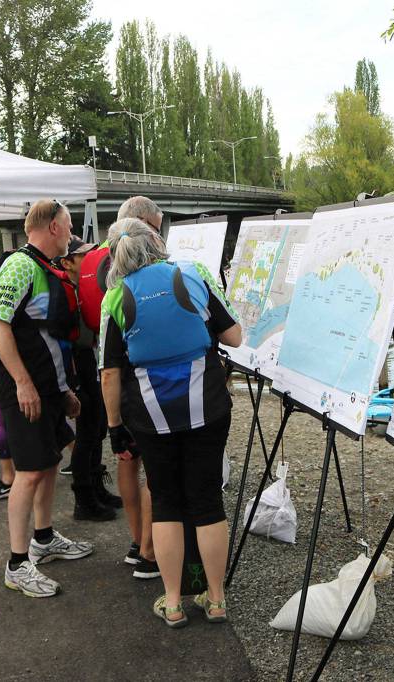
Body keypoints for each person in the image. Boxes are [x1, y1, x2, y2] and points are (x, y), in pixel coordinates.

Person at [98, 218, 241, 627]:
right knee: (207, 499)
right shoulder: (192, 274)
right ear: (156, 243)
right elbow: (234, 337)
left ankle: (174, 601)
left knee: (166, 502)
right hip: (207, 406)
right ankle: (215, 600)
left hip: (149, 414)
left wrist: (114, 426)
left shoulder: (113, 298)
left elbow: (109, 373)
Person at [0, 199, 93, 597]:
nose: (70, 235)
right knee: (29, 472)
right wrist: (23, 383)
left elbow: (48, 337)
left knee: (48, 464)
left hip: (48, 388)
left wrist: (62, 389)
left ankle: (44, 539)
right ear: (52, 227)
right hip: (26, 390)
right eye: (67, 227)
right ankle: (17, 563)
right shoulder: (19, 265)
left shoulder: (44, 266)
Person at [80, 196, 162, 577]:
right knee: (154, 470)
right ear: (145, 225)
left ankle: (135, 540)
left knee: (127, 461)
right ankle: (149, 548)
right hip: (139, 379)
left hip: (112, 377)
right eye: (157, 227)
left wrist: (112, 422)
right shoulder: (144, 267)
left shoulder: (97, 261)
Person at [56, 236, 117, 522]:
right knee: (87, 430)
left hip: (88, 359)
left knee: (98, 426)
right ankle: (84, 499)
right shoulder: (63, 287)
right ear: (66, 262)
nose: (92, 259)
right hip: (74, 362)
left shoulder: (86, 285)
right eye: (83, 256)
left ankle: (96, 486)